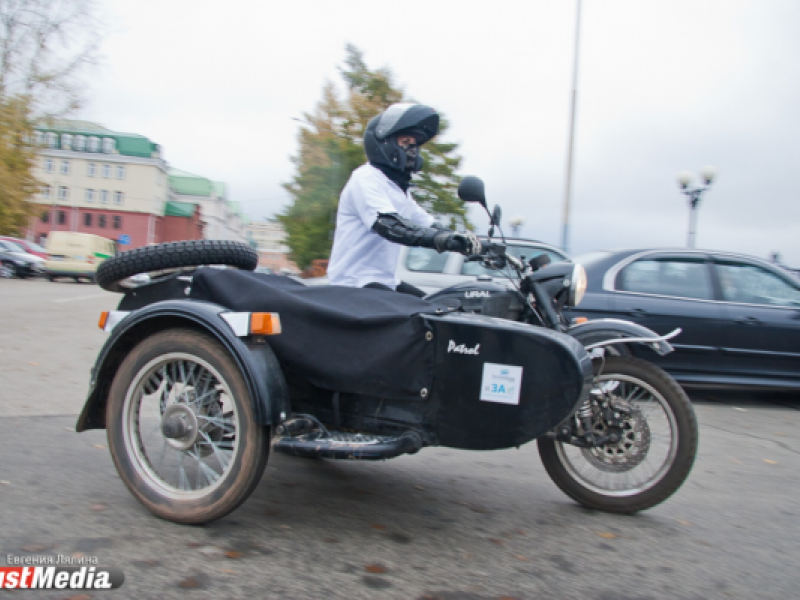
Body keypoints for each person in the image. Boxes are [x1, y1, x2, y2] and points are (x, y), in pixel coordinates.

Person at [327, 103, 481, 296]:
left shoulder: (398, 190)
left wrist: (467, 241)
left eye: (415, 144)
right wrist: (442, 240)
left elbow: (428, 224)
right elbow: (391, 225)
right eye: (405, 141)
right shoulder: (366, 178)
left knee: (440, 305)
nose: (412, 149)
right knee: (425, 311)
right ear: (384, 143)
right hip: (354, 285)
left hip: (385, 282)